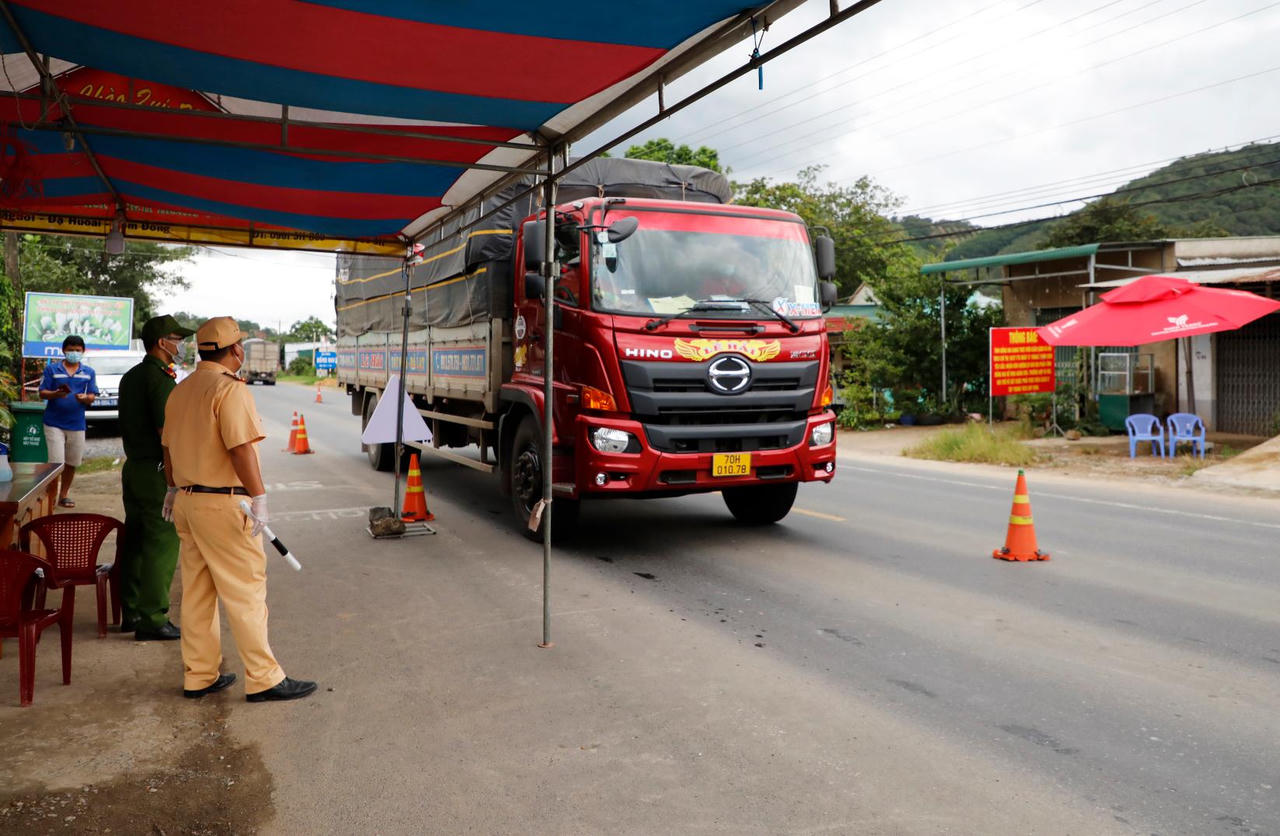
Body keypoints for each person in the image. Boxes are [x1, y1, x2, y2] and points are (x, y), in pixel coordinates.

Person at [161, 316, 316, 702]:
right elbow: (240, 447)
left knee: (197, 593)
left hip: (186, 501)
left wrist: (171, 488)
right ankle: (264, 678)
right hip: (222, 504)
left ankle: (199, 675)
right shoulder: (229, 390)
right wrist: (259, 495)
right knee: (245, 591)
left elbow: (166, 447)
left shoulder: (180, 390)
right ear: (235, 350)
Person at [117, 315, 194, 641]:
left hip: (133, 467)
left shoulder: (131, 376)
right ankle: (152, 618)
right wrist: (174, 481)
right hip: (156, 470)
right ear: (162, 343)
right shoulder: (160, 379)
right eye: (176, 339)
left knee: (135, 540)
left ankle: (132, 611)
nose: (180, 345)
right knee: (161, 542)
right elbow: (167, 434)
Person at [38, 335, 98, 508]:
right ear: (64, 350)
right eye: (70, 350)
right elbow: (42, 392)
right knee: (56, 463)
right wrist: (56, 394)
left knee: (72, 462)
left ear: (83, 352)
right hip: (53, 422)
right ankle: (51, 496)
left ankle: (63, 495)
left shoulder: (88, 372)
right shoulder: (52, 369)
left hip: (77, 423)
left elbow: (92, 395)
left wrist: (85, 398)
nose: (74, 353)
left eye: (77, 350)